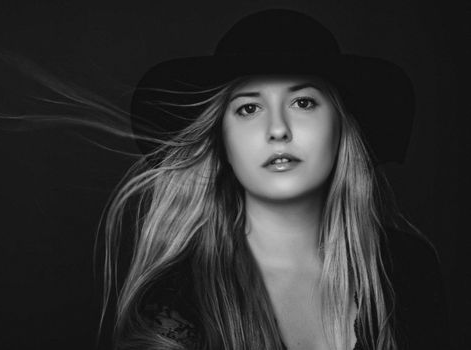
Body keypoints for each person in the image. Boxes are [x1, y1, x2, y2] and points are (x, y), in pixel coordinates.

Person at [98, 9, 446, 350]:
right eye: (249, 108)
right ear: (222, 142)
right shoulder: (179, 298)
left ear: (341, 127)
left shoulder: (407, 269)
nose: (278, 129)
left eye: (304, 102)